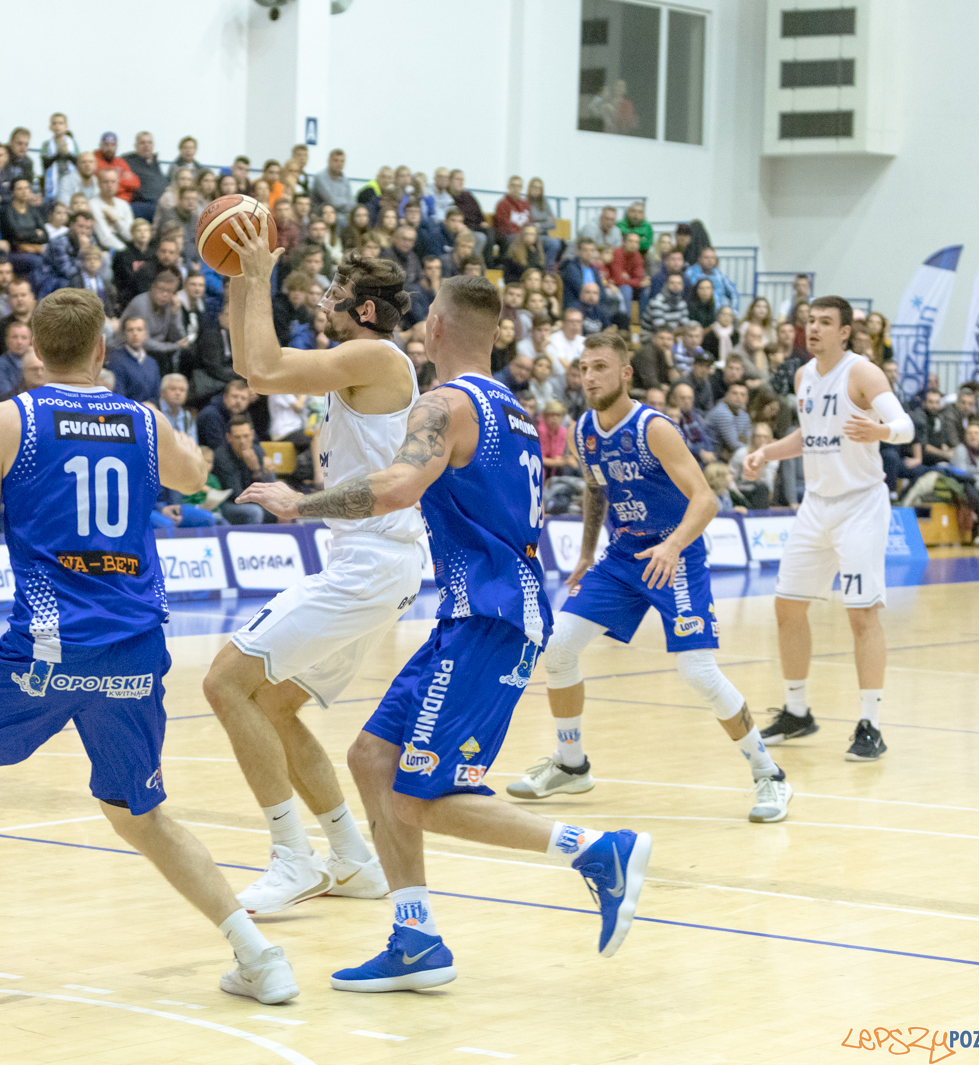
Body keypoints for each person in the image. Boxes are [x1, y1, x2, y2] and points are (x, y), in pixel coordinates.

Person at [0, 286, 300, 1006]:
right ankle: (258, 955)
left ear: (34, 352)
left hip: (45, 647)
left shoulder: (8, 418)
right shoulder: (139, 417)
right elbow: (199, 476)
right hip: (133, 648)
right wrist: (164, 434)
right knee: (143, 814)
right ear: (103, 349)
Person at [240, 274, 651, 989]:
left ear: (435, 328)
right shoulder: (514, 411)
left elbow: (397, 487)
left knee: (422, 794)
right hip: (478, 610)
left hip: (490, 616)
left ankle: (594, 848)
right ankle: (415, 937)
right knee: (373, 758)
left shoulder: (444, 402)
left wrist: (299, 501)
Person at [202, 225, 430, 914]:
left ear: (365, 310)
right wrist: (240, 275)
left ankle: (291, 857)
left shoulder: (375, 356)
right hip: (373, 564)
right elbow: (251, 362)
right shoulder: (363, 356)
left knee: (224, 683)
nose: (325, 300)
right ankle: (353, 857)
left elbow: (265, 371)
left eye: (337, 294)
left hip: (372, 562)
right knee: (272, 703)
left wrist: (263, 272)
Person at [508, 332, 792, 822]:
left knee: (697, 672)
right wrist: (587, 552)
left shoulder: (653, 428)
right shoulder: (583, 431)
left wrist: (673, 544)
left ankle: (770, 776)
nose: (590, 375)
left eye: (601, 366)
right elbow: (596, 491)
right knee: (557, 648)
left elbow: (706, 499)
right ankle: (572, 766)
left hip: (675, 556)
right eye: (584, 367)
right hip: (622, 558)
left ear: (625, 374)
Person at [744, 297, 912, 762]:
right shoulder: (803, 376)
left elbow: (905, 424)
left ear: (845, 332)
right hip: (816, 505)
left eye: (824, 323)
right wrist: (766, 454)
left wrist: (882, 432)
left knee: (862, 615)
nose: (813, 329)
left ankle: (870, 725)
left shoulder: (863, 373)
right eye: (809, 321)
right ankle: (797, 711)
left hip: (860, 504)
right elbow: (810, 434)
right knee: (786, 607)